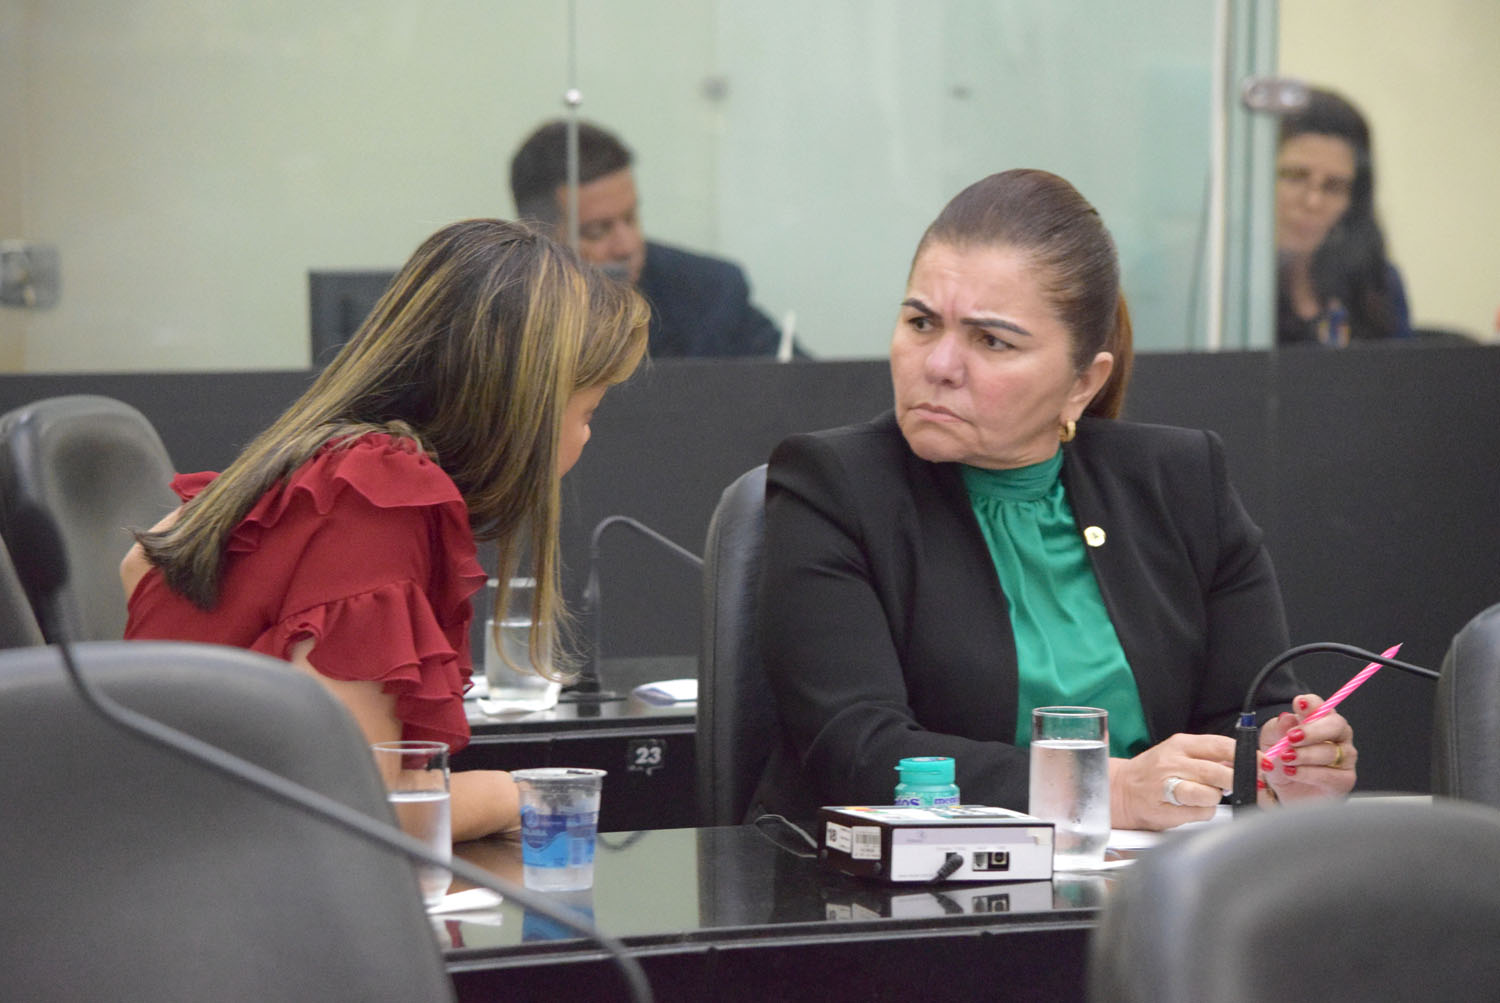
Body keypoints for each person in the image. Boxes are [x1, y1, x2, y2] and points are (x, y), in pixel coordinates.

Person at [753, 169, 1358, 831]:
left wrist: (1281, 764)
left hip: (1159, 893)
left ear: (1082, 382)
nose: (939, 364)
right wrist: (1106, 787)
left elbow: (1246, 713)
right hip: (905, 902)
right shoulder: (834, 484)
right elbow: (860, 752)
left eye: (991, 340)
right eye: (922, 322)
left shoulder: (1181, 481)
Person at [120, 219, 648, 841]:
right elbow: (363, 810)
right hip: (219, 873)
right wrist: (518, 795)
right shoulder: (376, 499)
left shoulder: (319, 457)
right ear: (520, 408)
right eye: (587, 411)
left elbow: (139, 565)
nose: (587, 435)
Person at [509, 119, 790, 358]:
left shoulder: (707, 292)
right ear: (539, 236)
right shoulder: (497, 310)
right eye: (597, 231)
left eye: (631, 218)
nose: (627, 245)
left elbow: (805, 389)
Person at [1275, 87, 1411, 347]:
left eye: (1334, 187)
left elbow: (1400, 384)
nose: (1312, 202)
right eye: (1294, 176)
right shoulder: (1227, 283)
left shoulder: (1377, 284)